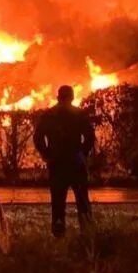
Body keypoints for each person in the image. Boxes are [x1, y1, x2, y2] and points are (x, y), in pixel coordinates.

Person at [33, 85, 96, 237]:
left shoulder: (48, 115)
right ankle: (87, 232)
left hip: (57, 162)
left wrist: (47, 154)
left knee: (58, 201)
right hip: (75, 161)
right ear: (72, 97)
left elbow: (38, 137)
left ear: (58, 97)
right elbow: (89, 136)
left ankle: (58, 232)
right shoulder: (79, 114)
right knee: (82, 199)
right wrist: (82, 152)